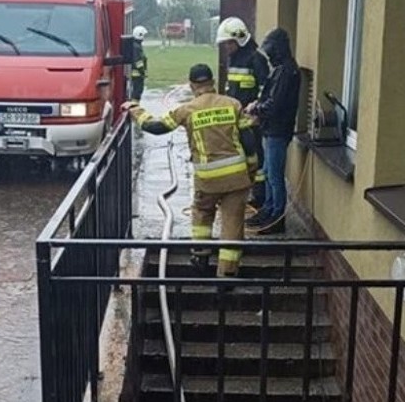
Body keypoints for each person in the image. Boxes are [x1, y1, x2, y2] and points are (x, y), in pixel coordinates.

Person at [121, 64, 259, 278]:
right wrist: (251, 171)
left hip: (207, 178)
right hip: (236, 178)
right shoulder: (233, 104)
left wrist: (135, 109)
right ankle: (227, 275)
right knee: (232, 226)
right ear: (212, 82)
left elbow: (155, 127)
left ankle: (200, 257)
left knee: (202, 214)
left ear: (192, 85)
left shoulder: (187, 110)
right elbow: (249, 141)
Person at [245, 28, 300, 234]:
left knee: (275, 176)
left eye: (271, 50)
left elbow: (275, 104)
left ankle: (277, 218)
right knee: (268, 172)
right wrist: (258, 103)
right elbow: (270, 98)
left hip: (278, 130)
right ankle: (268, 210)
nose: (268, 55)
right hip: (272, 129)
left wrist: (256, 108)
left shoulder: (286, 71)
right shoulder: (280, 70)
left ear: (279, 49)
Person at [216, 16, 270, 208]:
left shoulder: (256, 59)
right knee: (240, 156)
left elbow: (266, 89)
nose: (226, 48)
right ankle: (245, 190)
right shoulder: (234, 58)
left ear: (239, 38)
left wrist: (256, 107)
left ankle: (260, 197)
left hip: (251, 119)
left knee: (256, 156)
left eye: (229, 43)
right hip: (236, 117)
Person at [130, 25, 148, 103]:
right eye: (143, 35)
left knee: (137, 93)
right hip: (137, 75)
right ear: (140, 35)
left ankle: (135, 106)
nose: (144, 37)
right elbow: (138, 61)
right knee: (136, 93)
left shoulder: (137, 46)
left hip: (138, 75)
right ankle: (135, 108)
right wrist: (142, 72)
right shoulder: (136, 47)